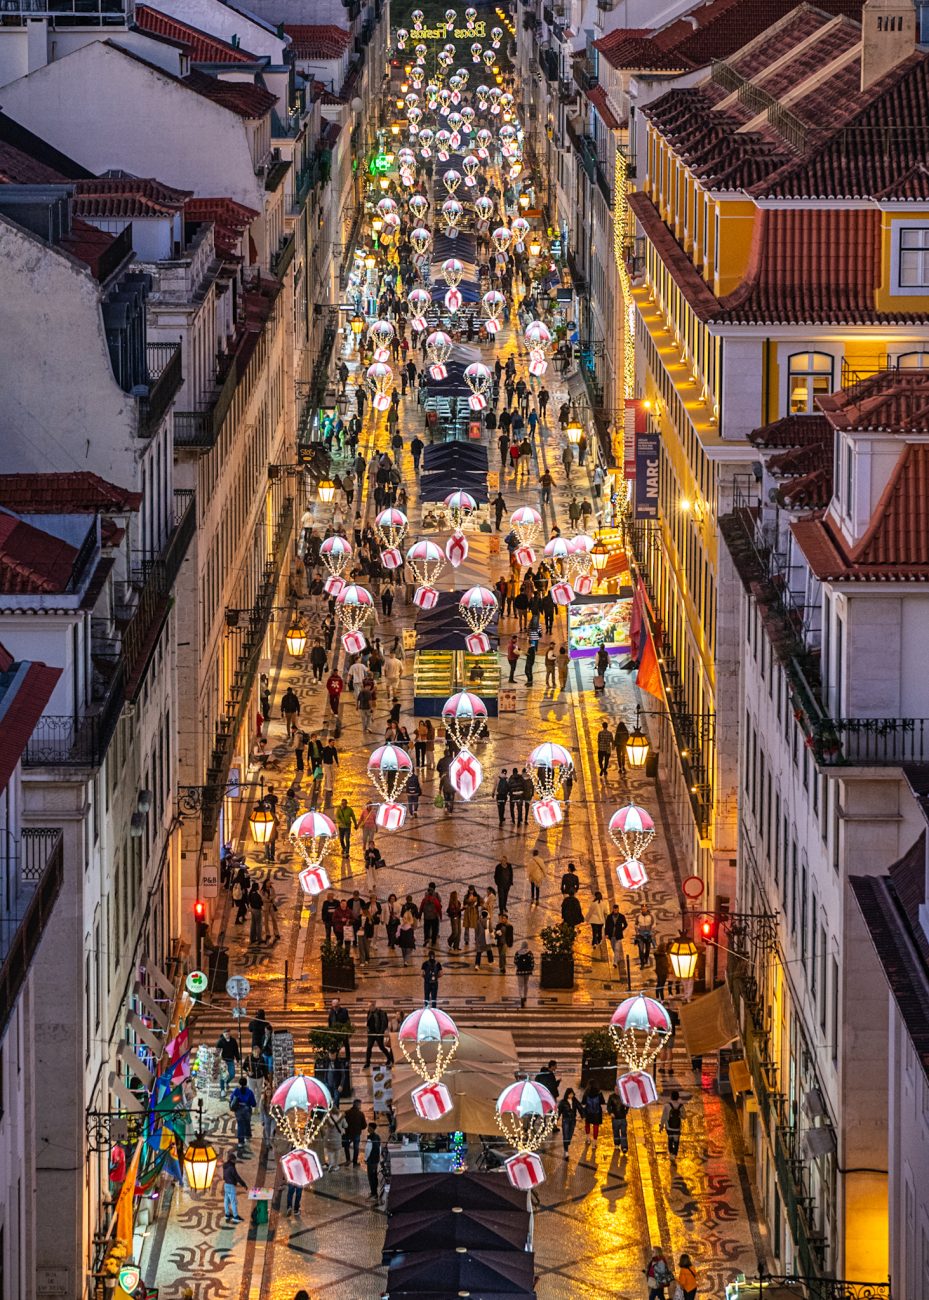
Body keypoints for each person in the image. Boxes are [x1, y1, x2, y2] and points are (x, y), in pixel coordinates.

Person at [229, 1076, 257, 1150]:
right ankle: (247, 1136)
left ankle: (240, 1142)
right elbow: (253, 1103)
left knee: (240, 1125)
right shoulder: (249, 1092)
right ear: (246, 1083)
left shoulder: (236, 1091)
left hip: (238, 1110)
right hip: (247, 1110)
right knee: (247, 1123)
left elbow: (231, 1098)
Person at [364, 1002, 393, 1066]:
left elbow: (384, 1023)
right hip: (371, 1033)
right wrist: (368, 1029)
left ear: (373, 1006)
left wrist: (381, 1032)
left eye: (369, 1007)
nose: (369, 1008)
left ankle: (389, 1058)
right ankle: (367, 1062)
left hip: (378, 1033)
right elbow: (368, 1021)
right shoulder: (369, 1012)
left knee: (381, 1047)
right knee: (369, 1047)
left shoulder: (381, 1012)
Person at [222, 1151, 247, 1223]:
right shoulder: (232, 1167)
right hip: (231, 1186)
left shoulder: (225, 1165)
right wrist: (243, 1184)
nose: (235, 1161)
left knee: (226, 1201)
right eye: (234, 1160)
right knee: (233, 1202)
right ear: (232, 1160)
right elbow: (237, 1177)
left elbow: (224, 1175)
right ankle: (236, 1216)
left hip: (226, 1185)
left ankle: (227, 1214)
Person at [342, 1098, 367, 1165]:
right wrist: (359, 1128)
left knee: (346, 1146)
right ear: (358, 1105)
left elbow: (343, 1124)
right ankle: (355, 1162)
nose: (360, 1106)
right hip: (356, 1133)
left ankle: (348, 1160)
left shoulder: (347, 1112)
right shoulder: (361, 1114)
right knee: (356, 1148)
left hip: (348, 1133)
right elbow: (364, 1126)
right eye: (360, 1105)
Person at [216, 1029, 240, 1097]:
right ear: (223, 1034)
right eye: (226, 1034)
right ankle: (222, 1089)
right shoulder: (220, 1042)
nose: (227, 1035)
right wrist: (218, 1060)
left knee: (232, 1074)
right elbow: (217, 1052)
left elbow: (236, 1050)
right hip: (223, 1061)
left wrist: (237, 1059)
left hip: (231, 1060)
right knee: (222, 1076)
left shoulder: (233, 1041)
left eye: (228, 1034)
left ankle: (227, 1082)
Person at [660, 1090, 685, 1156]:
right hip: (677, 1127)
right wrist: (679, 1115)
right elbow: (684, 1117)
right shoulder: (681, 1106)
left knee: (670, 1139)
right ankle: (674, 1154)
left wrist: (661, 1126)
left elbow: (664, 1117)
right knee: (676, 1141)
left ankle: (671, 1152)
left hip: (669, 1127)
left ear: (671, 1097)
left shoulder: (667, 1106)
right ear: (678, 1097)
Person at [327, 997, 352, 1063]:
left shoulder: (344, 1011)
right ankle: (335, 1058)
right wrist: (329, 1031)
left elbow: (347, 1021)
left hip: (342, 1031)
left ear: (339, 1005)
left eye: (336, 1006)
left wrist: (347, 1030)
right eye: (334, 1006)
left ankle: (348, 1059)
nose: (335, 1008)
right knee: (335, 1045)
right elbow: (330, 1021)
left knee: (346, 1044)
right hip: (334, 1032)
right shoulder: (331, 1012)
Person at [558, 1088, 579, 1157]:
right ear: (567, 1094)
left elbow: (580, 1107)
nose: (571, 1095)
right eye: (570, 1094)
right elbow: (559, 1111)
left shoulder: (575, 1100)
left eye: (572, 1094)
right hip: (565, 1120)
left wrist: (583, 1115)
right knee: (566, 1135)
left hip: (573, 1120)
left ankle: (567, 1143)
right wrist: (556, 1118)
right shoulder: (563, 1102)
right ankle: (566, 1150)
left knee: (570, 1135)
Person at [365, 1123, 382, 1200]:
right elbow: (380, 1148)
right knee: (374, 1176)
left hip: (371, 1160)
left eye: (369, 1127)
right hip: (376, 1160)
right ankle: (374, 1192)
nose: (367, 1129)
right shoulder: (377, 1137)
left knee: (371, 1177)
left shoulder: (370, 1138)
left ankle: (374, 1193)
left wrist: (366, 1159)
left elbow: (367, 1150)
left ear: (372, 1128)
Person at [635, 902, 655, 968]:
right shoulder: (638, 916)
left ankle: (646, 958)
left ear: (647, 909)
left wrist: (651, 932)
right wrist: (637, 931)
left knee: (648, 949)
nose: (643, 910)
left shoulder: (651, 916)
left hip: (648, 934)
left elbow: (653, 924)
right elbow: (636, 924)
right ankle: (642, 963)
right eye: (642, 909)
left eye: (645, 909)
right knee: (641, 949)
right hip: (641, 935)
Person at [261, 878, 281, 943]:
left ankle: (276, 933)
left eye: (270, 883)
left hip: (271, 905)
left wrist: (272, 898)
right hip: (266, 906)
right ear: (265, 883)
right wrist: (268, 900)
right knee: (266, 920)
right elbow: (262, 898)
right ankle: (267, 933)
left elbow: (274, 895)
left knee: (274, 919)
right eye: (268, 883)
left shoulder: (272, 889)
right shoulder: (262, 891)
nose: (270, 884)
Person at [514, 940, 534, 1006]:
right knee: (526, 984)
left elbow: (515, 962)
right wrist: (531, 969)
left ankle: (521, 997)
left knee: (520, 986)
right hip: (527, 971)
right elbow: (532, 962)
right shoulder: (530, 953)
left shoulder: (517, 953)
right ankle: (525, 997)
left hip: (520, 971)